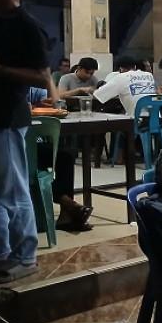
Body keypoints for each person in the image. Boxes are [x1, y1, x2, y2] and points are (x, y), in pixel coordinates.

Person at [0, 0, 54, 283]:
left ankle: (25, 256)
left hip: (6, 117)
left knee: (12, 190)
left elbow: (43, 79)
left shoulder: (27, 27)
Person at [28, 88, 93, 231]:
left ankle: (66, 213)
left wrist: (48, 97)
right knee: (36, 163)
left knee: (65, 157)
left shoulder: (34, 86)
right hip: (14, 144)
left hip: (35, 139)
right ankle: (70, 204)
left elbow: (55, 102)